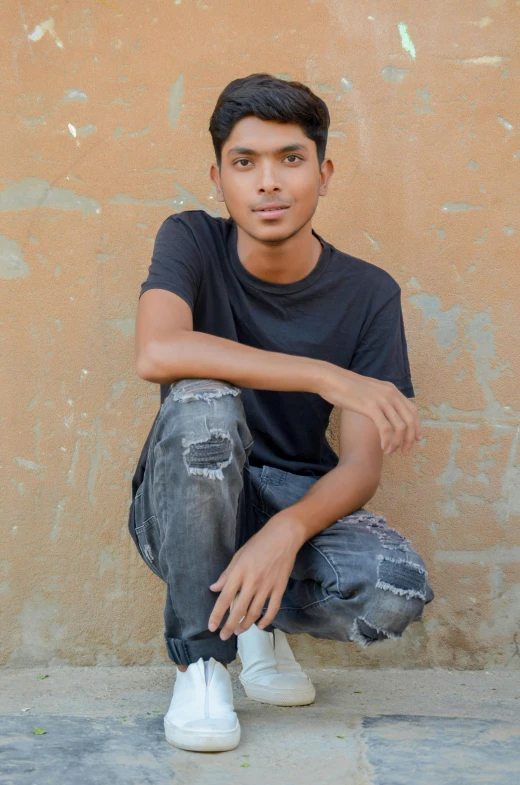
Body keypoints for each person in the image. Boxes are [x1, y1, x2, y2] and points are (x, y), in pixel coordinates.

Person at [129, 72, 434, 753]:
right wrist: (327, 376)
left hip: (292, 497)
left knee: (394, 589)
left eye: (290, 160)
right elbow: (158, 349)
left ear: (323, 174)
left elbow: (359, 463)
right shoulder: (191, 242)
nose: (268, 182)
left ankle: (258, 623)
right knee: (202, 397)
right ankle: (202, 659)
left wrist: (287, 531)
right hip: (181, 505)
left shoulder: (369, 292)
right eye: (246, 162)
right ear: (218, 178)